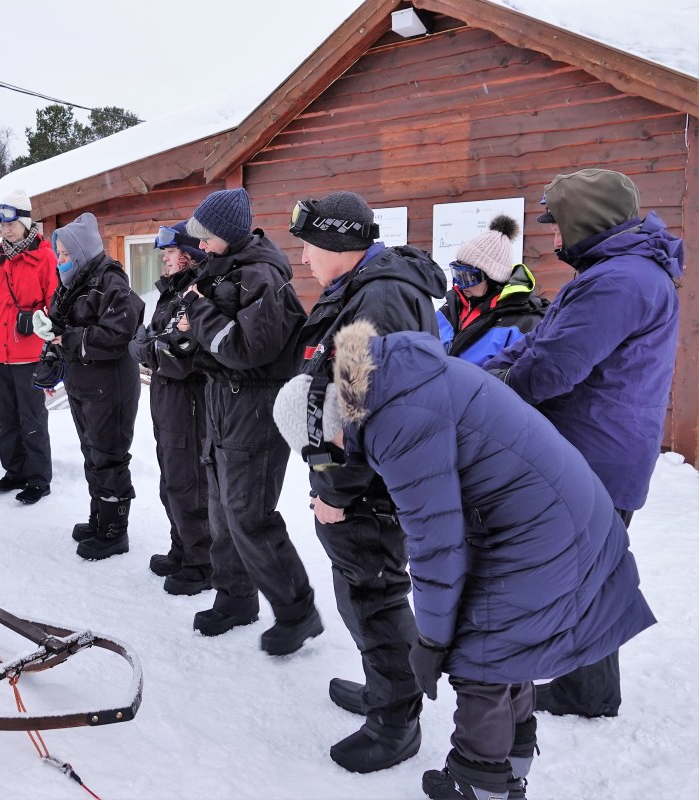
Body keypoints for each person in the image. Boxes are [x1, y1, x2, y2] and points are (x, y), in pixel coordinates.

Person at [274, 320, 655, 800]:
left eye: (324, 450)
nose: (333, 460)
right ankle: (509, 769)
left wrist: (431, 641)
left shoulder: (395, 420)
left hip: (543, 526)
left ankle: (480, 786)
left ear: (327, 421)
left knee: (480, 655)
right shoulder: (392, 380)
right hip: (551, 511)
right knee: (500, 643)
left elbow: (436, 542)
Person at [484, 168, 683, 719]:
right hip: (598, 448)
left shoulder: (619, 281)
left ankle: (586, 693)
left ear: (586, 220)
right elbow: (540, 343)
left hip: (593, 453)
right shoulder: (614, 273)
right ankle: (586, 690)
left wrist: (491, 394)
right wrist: (489, 372)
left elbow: (552, 368)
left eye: (558, 224)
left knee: (579, 574)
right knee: (585, 574)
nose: (552, 238)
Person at [287, 191, 446, 772]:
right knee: (363, 590)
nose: (303, 258)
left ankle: (395, 721)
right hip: (363, 481)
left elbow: (361, 409)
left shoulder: (377, 299)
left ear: (334, 241)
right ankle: (384, 689)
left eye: (308, 244)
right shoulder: (367, 288)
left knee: (374, 596)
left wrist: (336, 492)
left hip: (368, 489)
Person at [169, 187, 322, 656]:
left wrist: (197, 314)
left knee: (249, 513)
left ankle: (298, 611)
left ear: (225, 235)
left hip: (254, 406)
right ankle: (235, 597)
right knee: (221, 508)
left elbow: (247, 350)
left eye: (205, 236)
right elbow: (217, 341)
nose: (198, 245)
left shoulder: (260, 276)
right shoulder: (225, 270)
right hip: (223, 403)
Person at [32, 212, 143, 560]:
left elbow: (117, 334)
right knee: (92, 453)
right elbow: (60, 331)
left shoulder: (110, 283)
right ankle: (99, 518)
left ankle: (114, 531)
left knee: (108, 456)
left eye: (65, 255)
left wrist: (68, 337)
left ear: (81, 254)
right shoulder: (72, 285)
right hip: (84, 384)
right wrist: (50, 355)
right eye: (59, 255)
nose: (60, 260)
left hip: (110, 387)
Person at [128, 222, 212, 595]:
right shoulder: (172, 293)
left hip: (189, 402)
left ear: (190, 255)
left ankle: (201, 562)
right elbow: (145, 342)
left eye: (169, 252)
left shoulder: (198, 293)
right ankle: (181, 548)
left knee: (188, 484)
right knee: (170, 482)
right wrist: (153, 347)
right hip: (166, 399)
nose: (163, 259)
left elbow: (177, 357)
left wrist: (152, 347)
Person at [0, 190, 58, 505]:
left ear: (26, 221)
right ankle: (14, 471)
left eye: (11, 221)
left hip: (29, 354)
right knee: (5, 416)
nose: (6, 228)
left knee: (32, 418)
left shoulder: (45, 257)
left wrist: (37, 319)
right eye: (0, 222)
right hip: (0, 353)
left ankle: (39, 479)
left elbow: (56, 306)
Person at [436, 215, 546, 366]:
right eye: (457, 274)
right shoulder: (448, 311)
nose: (461, 285)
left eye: (469, 277)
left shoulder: (521, 323)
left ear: (493, 278)